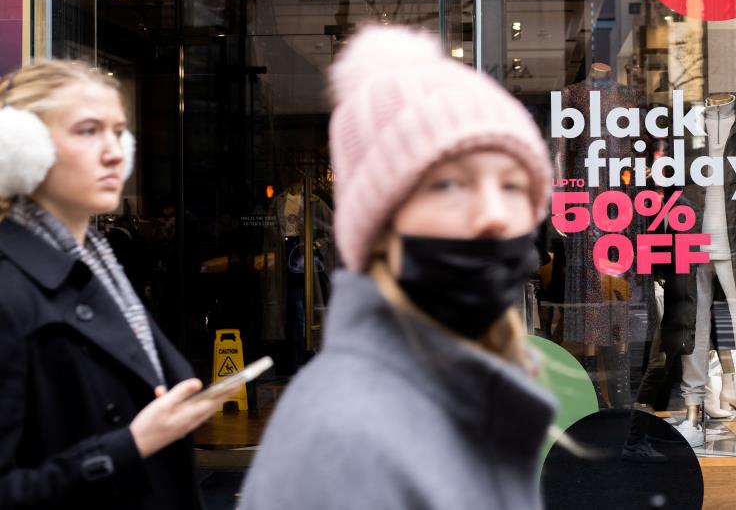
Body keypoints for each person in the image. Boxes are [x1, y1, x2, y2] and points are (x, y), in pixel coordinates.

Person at [240, 26, 555, 509]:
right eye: (450, 184)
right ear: (380, 220)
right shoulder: (348, 430)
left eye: (513, 186)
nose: (494, 214)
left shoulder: (467, 384)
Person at [0, 60, 232, 509]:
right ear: (19, 147)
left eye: (118, 131)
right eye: (88, 131)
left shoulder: (100, 267)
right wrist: (130, 446)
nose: (114, 152)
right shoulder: (10, 288)